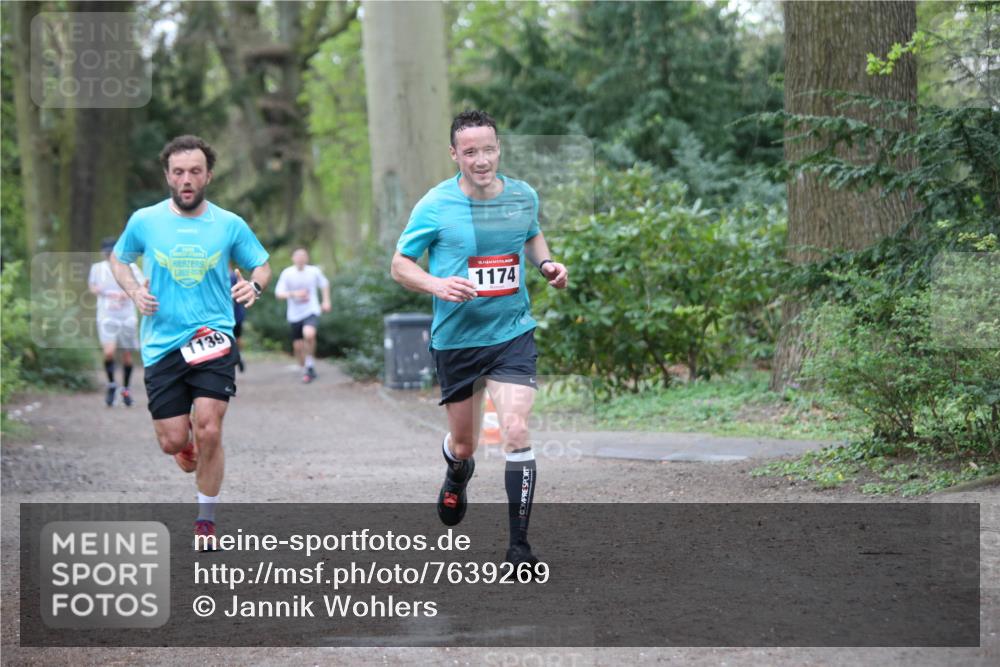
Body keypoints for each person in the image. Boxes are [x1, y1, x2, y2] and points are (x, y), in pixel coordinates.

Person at [390, 110, 568, 567]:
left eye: (488, 149)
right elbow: (400, 265)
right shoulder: (435, 205)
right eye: (470, 152)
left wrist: (547, 264)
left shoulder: (522, 195)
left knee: (516, 429)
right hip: (457, 341)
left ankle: (519, 548)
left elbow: (532, 235)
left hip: (512, 333)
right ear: (455, 154)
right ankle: (457, 470)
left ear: (499, 148)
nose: (482, 160)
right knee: (465, 444)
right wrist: (436, 284)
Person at [110, 135, 271, 550]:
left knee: (210, 427)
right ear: (168, 176)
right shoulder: (145, 221)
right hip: (161, 343)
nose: (187, 179)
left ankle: (205, 520)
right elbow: (119, 259)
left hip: (213, 337)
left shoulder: (228, 224)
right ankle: (184, 446)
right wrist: (133, 290)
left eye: (195, 171)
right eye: (179, 172)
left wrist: (254, 286)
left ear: (208, 176)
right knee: (173, 441)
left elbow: (262, 264)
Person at [88, 237, 143, 407]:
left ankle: (126, 389)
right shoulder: (97, 268)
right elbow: (92, 286)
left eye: (111, 251)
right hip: (106, 315)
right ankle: (112, 384)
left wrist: (125, 294)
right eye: (106, 252)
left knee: (127, 355)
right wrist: (100, 291)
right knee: (109, 352)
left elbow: (141, 285)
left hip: (126, 315)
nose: (108, 255)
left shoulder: (131, 267)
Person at [274, 248, 331, 384]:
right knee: (298, 347)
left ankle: (310, 365)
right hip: (294, 314)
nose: (300, 259)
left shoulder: (314, 271)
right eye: (297, 256)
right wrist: (294, 294)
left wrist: (326, 301)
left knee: (309, 334)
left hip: (311, 309)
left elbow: (325, 284)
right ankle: (303, 365)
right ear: (293, 258)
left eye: (303, 256)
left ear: (307, 258)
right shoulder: (287, 273)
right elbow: (278, 294)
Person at [230, 268, 246, 373]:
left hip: (235, 314)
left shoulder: (233, 276)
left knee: (237, 338)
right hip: (231, 314)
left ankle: (238, 356)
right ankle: (236, 357)